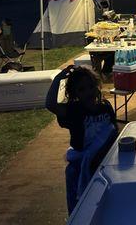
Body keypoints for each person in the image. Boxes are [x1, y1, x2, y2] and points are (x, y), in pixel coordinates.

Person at [45, 65, 117, 215]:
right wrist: (60, 78)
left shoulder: (105, 107)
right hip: (80, 167)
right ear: (74, 93)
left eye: (91, 86)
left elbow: (113, 131)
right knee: (79, 207)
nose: (88, 92)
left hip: (105, 163)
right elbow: (51, 104)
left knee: (105, 205)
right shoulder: (74, 110)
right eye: (81, 89)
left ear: (97, 86)